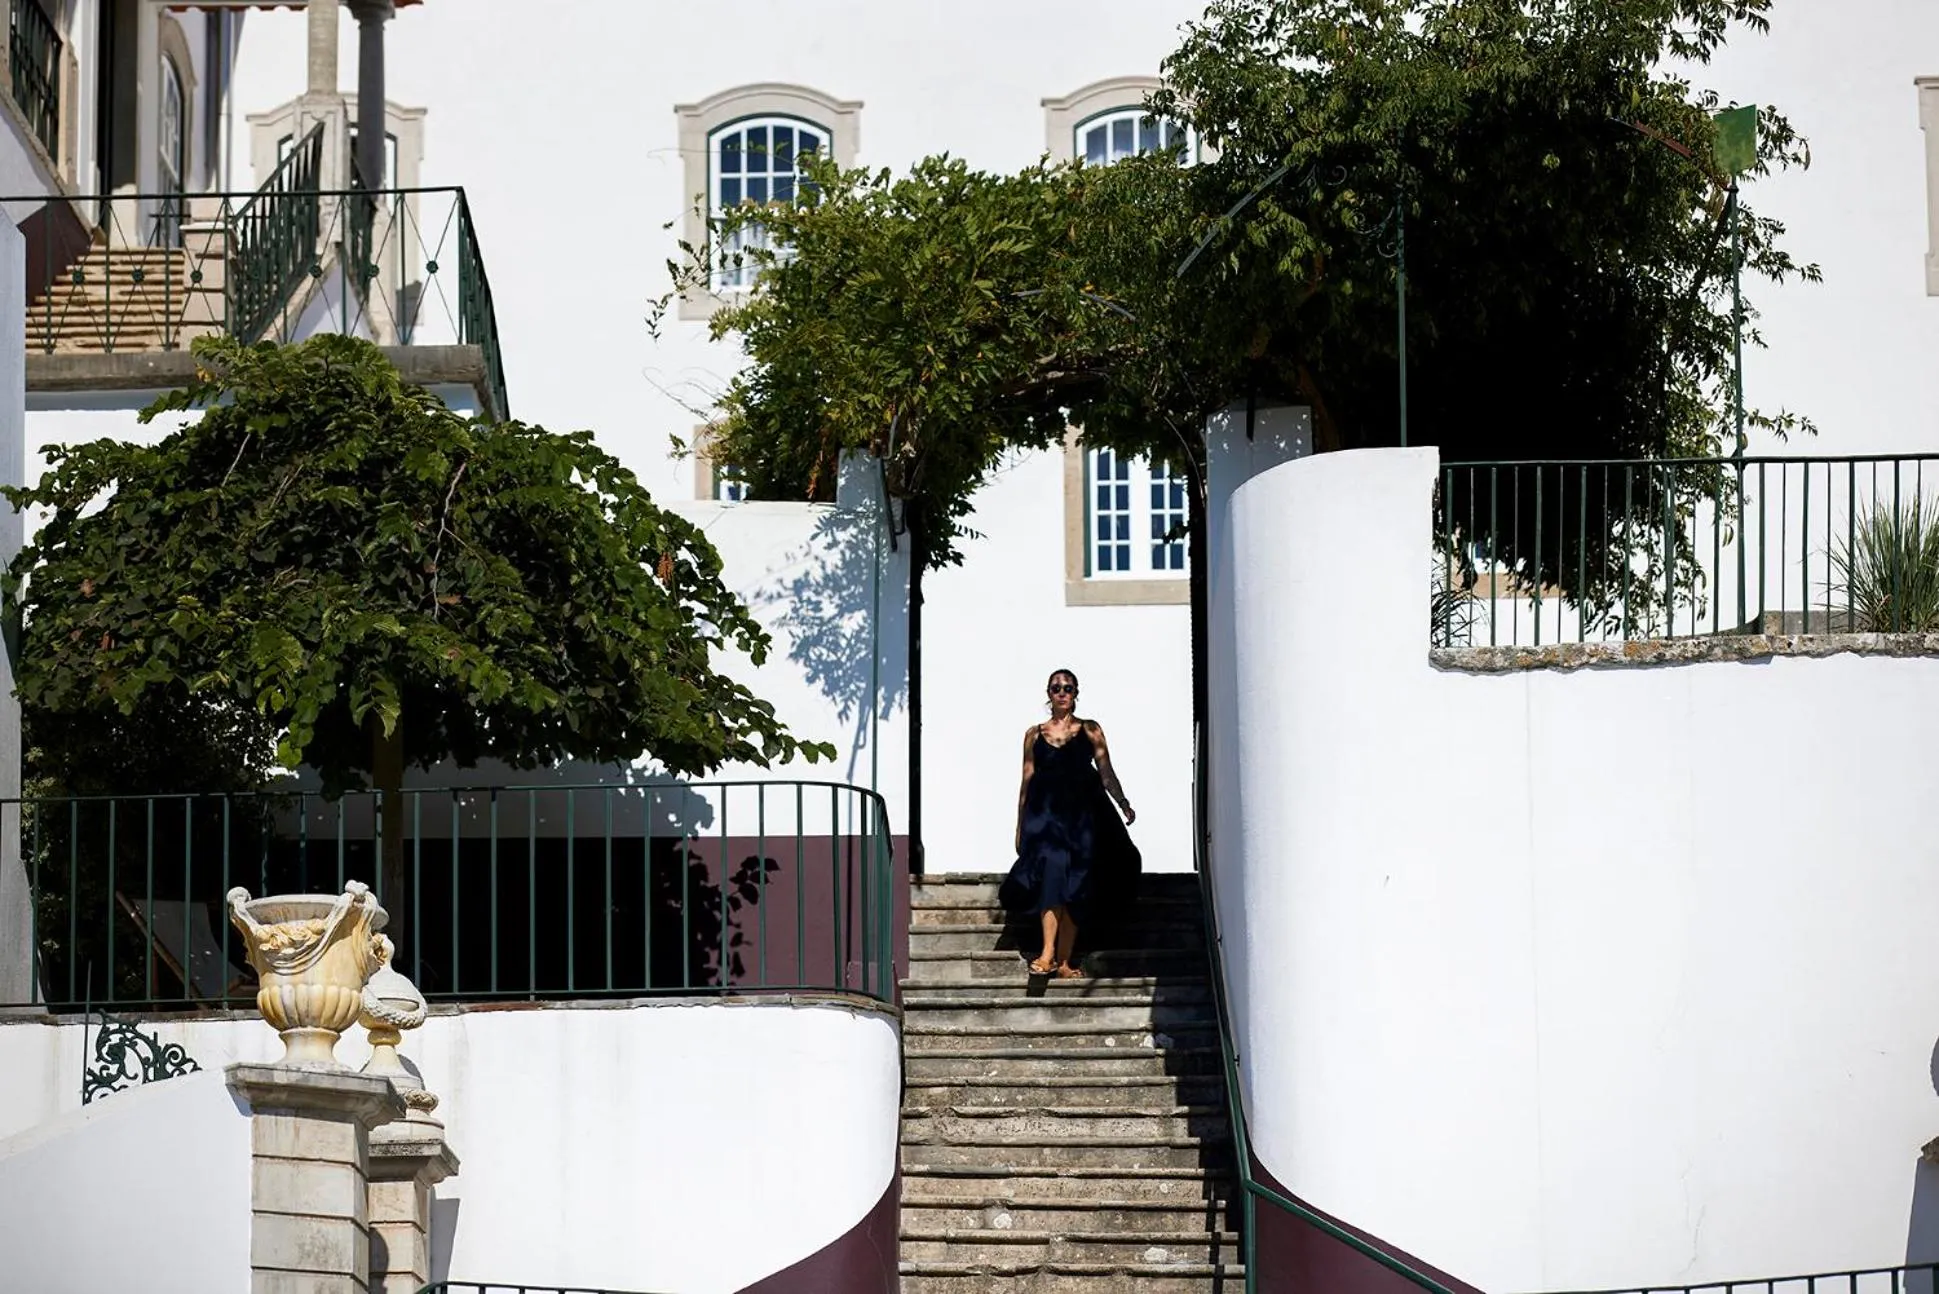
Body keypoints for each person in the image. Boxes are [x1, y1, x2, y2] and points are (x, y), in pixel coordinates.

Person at [998, 668, 1141, 978]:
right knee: (1051, 877)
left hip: (1083, 820)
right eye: (1056, 688)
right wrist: (1020, 824)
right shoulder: (1034, 734)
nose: (1062, 692)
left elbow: (1106, 773)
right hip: (1046, 819)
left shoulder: (1090, 730)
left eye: (1068, 688)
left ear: (1076, 693)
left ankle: (1064, 962)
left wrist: (1123, 801)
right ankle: (1047, 953)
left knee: (1076, 884)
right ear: (1048, 694)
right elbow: (1026, 780)